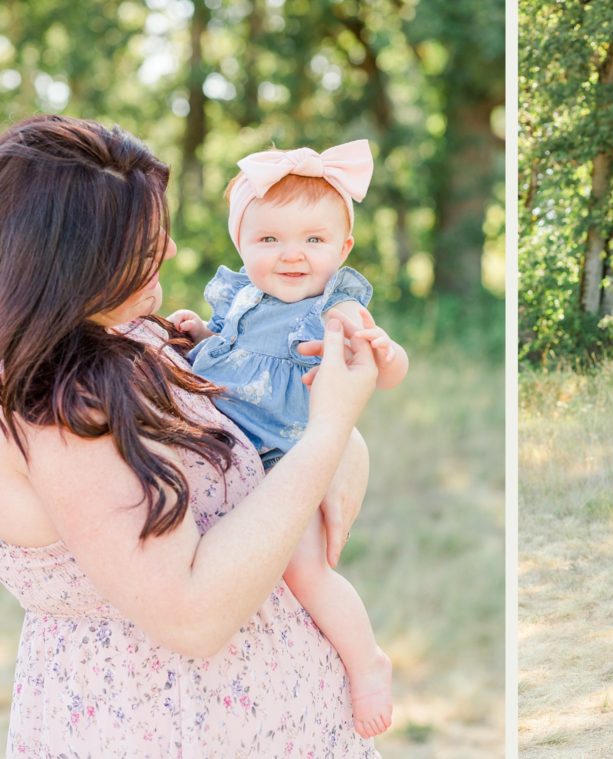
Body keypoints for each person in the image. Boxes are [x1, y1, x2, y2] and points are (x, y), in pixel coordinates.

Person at [0, 114, 381, 756]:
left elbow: (249, 443)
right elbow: (192, 613)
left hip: (284, 723)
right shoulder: (53, 401)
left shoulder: (127, 336)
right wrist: (327, 436)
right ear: (76, 259)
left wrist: (347, 448)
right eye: (146, 240)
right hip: (164, 731)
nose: (171, 252)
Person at [169, 142, 409, 738]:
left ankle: (366, 661)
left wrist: (385, 354)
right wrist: (198, 334)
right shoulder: (241, 297)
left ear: (343, 248)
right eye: (269, 240)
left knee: (303, 567)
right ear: (242, 244)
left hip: (286, 458)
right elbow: (225, 352)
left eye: (313, 239)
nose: (292, 255)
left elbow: (388, 370)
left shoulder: (335, 309)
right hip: (228, 447)